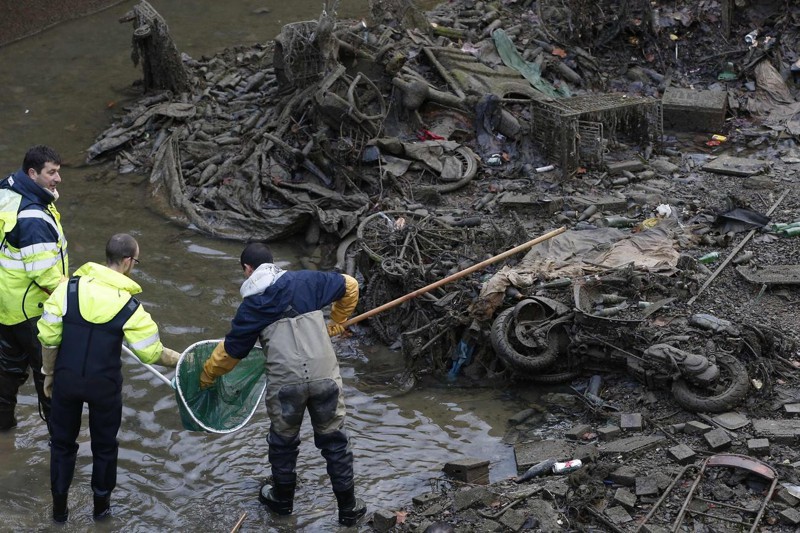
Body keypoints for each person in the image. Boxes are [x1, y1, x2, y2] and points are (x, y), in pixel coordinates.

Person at [199, 242, 367, 527]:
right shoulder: (306, 281)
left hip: (286, 385)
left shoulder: (250, 307)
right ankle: (348, 509)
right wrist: (337, 322)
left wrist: (206, 377)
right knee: (334, 440)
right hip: (325, 377)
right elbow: (350, 285)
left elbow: (229, 354)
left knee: (283, 443)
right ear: (273, 263)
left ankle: (282, 503)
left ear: (247, 270)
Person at [37, 233, 182, 523]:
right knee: (105, 447)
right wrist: (182, 360)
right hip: (105, 386)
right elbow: (150, 353)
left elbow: (49, 337)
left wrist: (49, 375)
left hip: (66, 380)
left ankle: (59, 513)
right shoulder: (131, 308)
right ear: (128, 261)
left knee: (62, 445)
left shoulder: (68, 290)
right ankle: (102, 513)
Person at [0, 145, 69, 432]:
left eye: (59, 172)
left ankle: (4, 436)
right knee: (49, 377)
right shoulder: (33, 219)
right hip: (33, 312)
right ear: (33, 173)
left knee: (6, 373)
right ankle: (60, 441)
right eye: (51, 173)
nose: (58, 179)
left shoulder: (7, 191)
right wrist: (77, 297)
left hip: (7, 307)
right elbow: (45, 278)